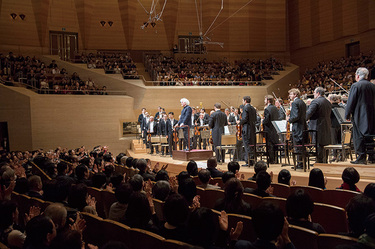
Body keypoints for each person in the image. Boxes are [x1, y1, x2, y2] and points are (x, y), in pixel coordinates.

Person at [345, 67, 375, 164]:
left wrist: (347, 114)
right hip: (372, 115)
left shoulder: (356, 85)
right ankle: (371, 156)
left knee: (359, 136)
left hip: (360, 115)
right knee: (370, 135)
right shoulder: (373, 86)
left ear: (357, 76)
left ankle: (361, 157)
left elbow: (351, 102)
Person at [306, 87, 332, 163]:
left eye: (314, 92)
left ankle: (319, 162)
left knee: (318, 144)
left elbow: (309, 113)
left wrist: (305, 118)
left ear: (318, 93)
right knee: (325, 144)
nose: (313, 94)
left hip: (317, 126)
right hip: (326, 125)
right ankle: (325, 161)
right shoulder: (328, 102)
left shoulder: (315, 101)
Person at [287, 88, 307, 169]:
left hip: (297, 127)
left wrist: (289, 119)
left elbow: (295, 116)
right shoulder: (302, 102)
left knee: (298, 146)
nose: (289, 96)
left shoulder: (295, 102)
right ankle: (302, 163)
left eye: (291, 94)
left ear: (295, 94)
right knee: (302, 147)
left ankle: (300, 164)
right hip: (303, 126)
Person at [238, 96, 257, 167]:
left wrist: (239, 122)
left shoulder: (245, 108)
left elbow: (245, 119)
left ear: (245, 101)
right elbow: (255, 119)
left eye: (242, 100)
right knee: (252, 144)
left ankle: (248, 161)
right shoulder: (253, 108)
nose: (242, 102)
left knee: (247, 145)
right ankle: (252, 160)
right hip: (252, 129)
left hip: (246, 129)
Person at [263, 95, 280, 164]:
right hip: (275, 129)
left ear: (268, 101)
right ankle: (276, 159)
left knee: (270, 145)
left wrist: (262, 121)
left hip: (269, 129)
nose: (264, 101)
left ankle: (271, 160)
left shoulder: (267, 109)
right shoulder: (276, 108)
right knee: (275, 144)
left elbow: (266, 120)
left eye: (265, 100)